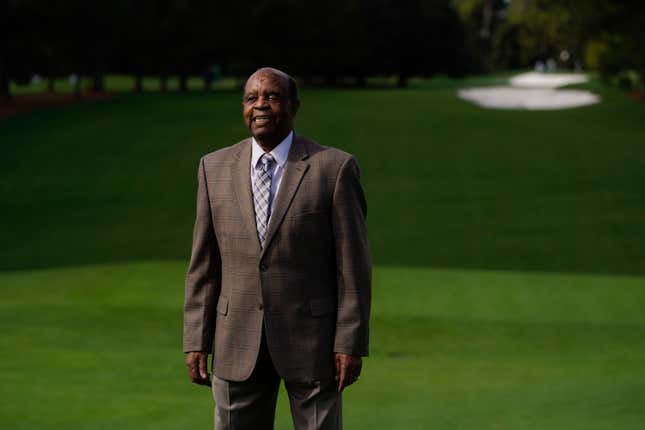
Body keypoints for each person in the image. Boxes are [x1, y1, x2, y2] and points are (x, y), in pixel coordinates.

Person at [183, 67, 371, 430]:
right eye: (252, 98)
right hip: (235, 339)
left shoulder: (334, 168)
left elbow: (353, 267)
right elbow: (203, 265)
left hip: (314, 346)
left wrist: (350, 342)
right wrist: (196, 337)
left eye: (272, 97)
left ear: (294, 106)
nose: (261, 106)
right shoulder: (213, 168)